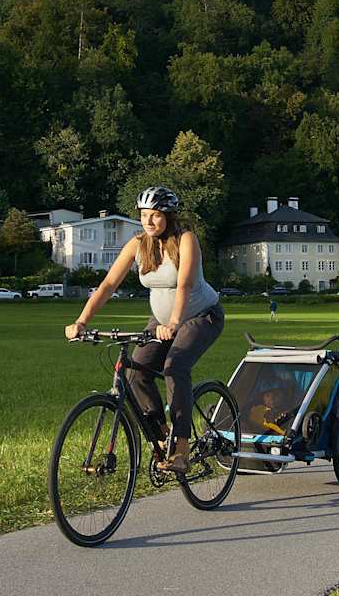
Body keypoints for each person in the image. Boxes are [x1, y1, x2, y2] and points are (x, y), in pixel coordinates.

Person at [65, 186, 223, 474]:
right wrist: (81, 321)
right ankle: (163, 437)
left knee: (175, 367)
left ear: (169, 216)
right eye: (143, 215)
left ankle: (182, 449)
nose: (148, 221)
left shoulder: (186, 240)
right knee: (135, 372)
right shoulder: (138, 244)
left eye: (155, 215)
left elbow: (185, 284)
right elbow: (108, 285)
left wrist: (174, 323)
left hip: (201, 316)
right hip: (161, 321)